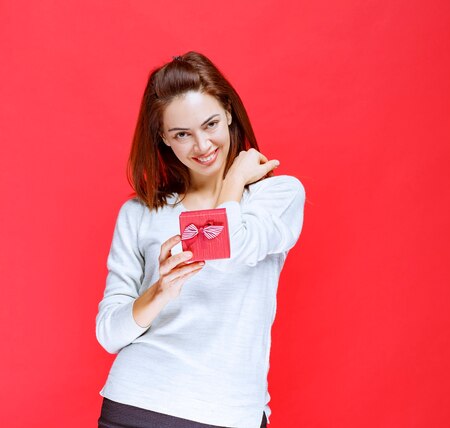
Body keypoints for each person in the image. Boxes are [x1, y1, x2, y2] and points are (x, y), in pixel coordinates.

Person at [95, 51, 305, 428]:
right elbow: (110, 333)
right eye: (182, 134)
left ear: (228, 111)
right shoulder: (141, 212)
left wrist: (235, 183)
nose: (203, 145)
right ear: (163, 138)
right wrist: (160, 291)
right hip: (138, 403)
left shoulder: (277, 196)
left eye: (210, 124)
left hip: (227, 412)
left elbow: (227, 246)